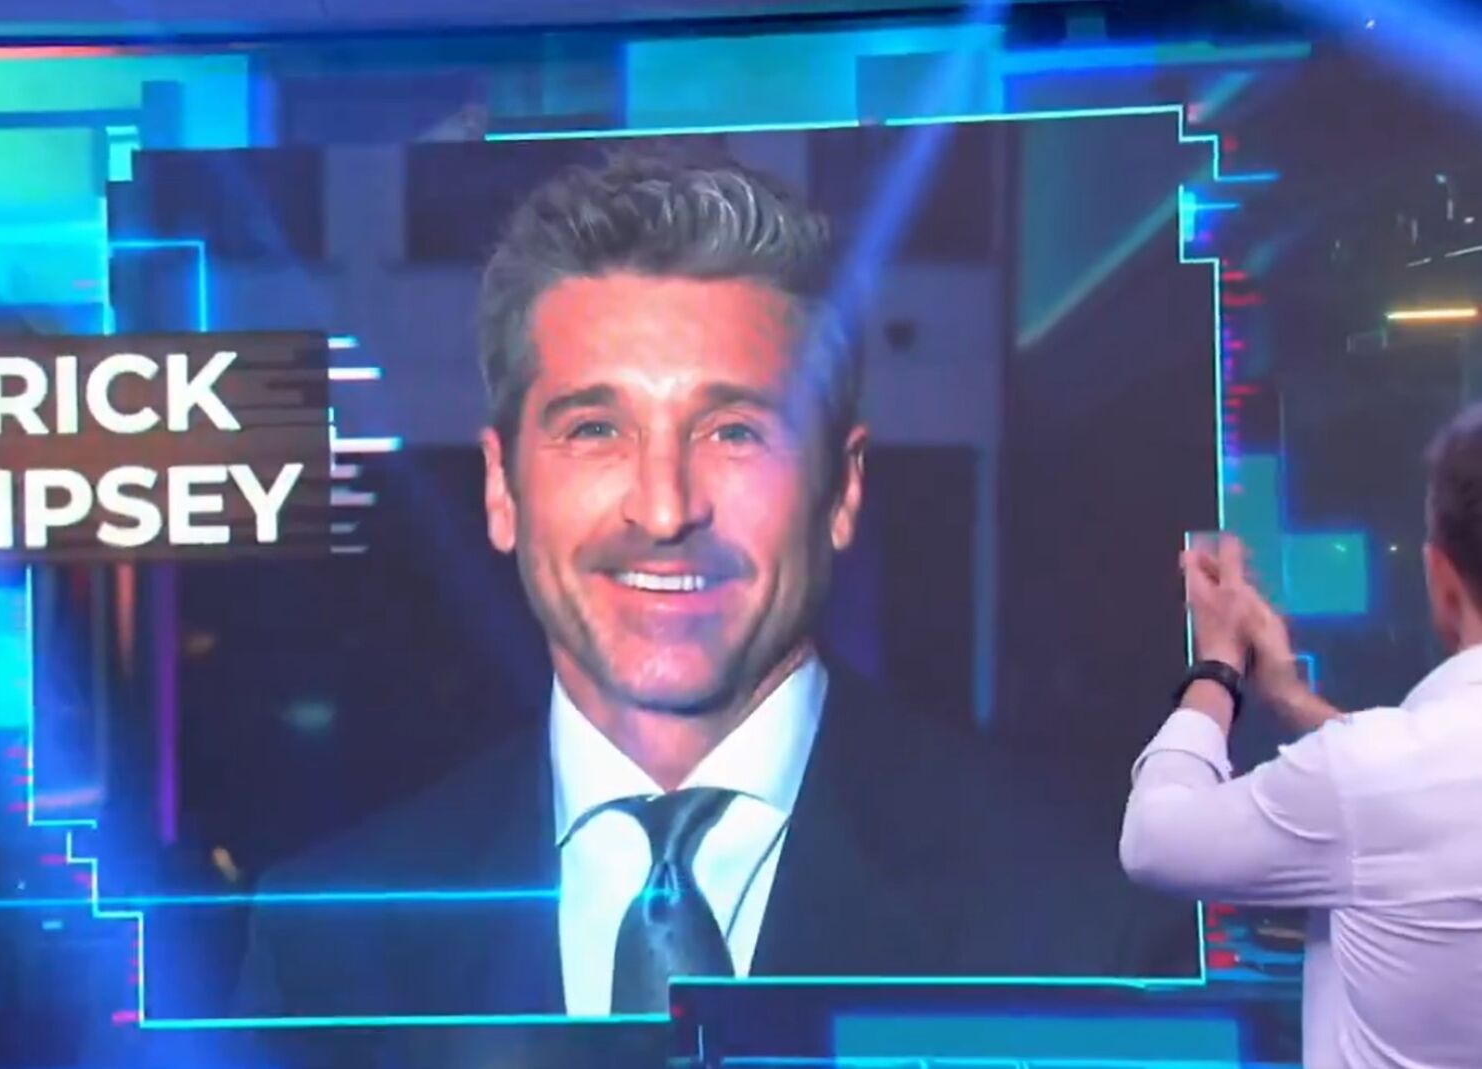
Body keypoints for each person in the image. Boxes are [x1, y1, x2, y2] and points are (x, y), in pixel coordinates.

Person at [234, 148, 1194, 1021]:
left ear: (840, 488)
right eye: (595, 429)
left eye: (735, 431)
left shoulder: (1077, 914)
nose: (664, 507)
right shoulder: (325, 942)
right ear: (501, 488)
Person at [1122, 409, 1482, 1068]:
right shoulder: (1386, 775)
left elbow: (1157, 838)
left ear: (1442, 578)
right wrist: (1291, 698)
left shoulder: (1375, 778)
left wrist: (1218, 666)